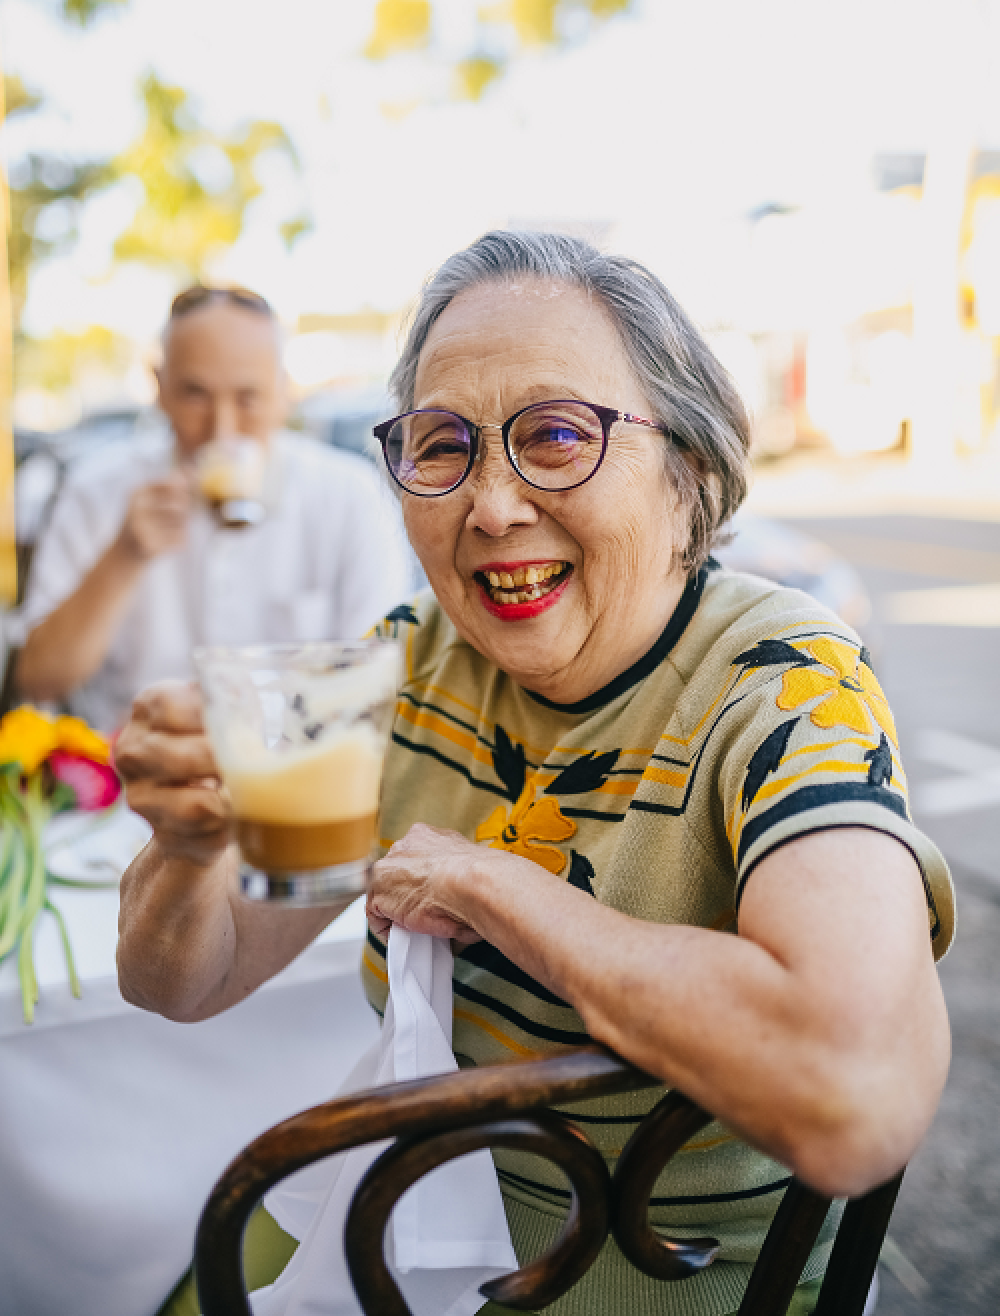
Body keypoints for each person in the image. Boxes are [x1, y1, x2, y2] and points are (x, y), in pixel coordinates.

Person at [116, 234, 953, 1316]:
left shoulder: (786, 682)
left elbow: (857, 1104)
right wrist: (189, 849)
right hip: (411, 1250)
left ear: (686, 467)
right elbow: (183, 982)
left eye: (556, 436)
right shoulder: (411, 659)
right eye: (442, 445)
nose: (493, 504)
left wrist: (493, 885)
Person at [15, 285, 410, 732]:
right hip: (128, 782)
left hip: (296, 780)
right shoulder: (98, 491)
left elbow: (379, 679)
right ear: (159, 389)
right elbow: (38, 679)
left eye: (248, 398)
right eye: (195, 395)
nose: (222, 430)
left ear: (284, 393)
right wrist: (124, 557)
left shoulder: (348, 498)